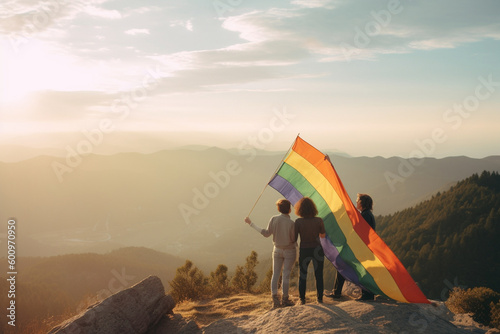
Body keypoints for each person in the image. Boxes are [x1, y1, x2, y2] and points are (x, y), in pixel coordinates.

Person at [244, 199, 297, 308]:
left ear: (279, 209)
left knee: (275, 274)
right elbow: (293, 240)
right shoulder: (292, 223)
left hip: (277, 250)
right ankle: (285, 299)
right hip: (289, 251)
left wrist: (251, 224)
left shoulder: (274, 219)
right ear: (289, 210)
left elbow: (266, 233)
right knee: (286, 275)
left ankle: (275, 300)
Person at [326, 193, 376, 301]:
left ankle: (367, 295)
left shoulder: (365, 215)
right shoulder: (366, 214)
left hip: (361, 249)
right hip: (361, 248)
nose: (356, 202)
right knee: (346, 266)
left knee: (359, 270)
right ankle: (338, 292)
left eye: (358, 200)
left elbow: (360, 233)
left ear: (362, 203)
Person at [294, 197, 326, 305]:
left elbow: (294, 239)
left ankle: (302, 299)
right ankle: (320, 299)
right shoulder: (319, 220)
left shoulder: (298, 222)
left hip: (304, 250)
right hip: (317, 249)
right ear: (313, 208)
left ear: (300, 209)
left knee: (303, 275)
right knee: (319, 275)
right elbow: (323, 235)